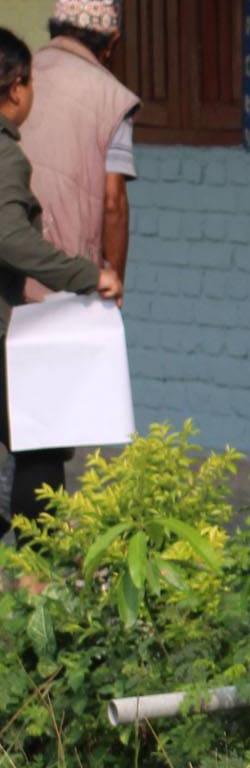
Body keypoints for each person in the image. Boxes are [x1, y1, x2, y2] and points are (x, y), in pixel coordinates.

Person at [0, 26, 119, 537]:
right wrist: (89, 274)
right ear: (17, 87)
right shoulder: (6, 155)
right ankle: (37, 578)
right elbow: (12, 240)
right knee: (41, 447)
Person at [23, 0, 138, 300]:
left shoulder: (17, 78)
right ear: (111, 42)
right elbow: (113, 201)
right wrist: (112, 282)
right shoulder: (114, 98)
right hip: (71, 278)